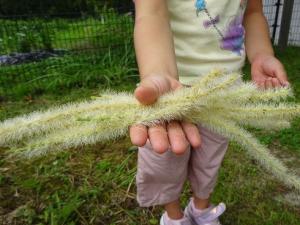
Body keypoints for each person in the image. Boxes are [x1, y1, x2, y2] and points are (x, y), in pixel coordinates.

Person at [129, 0, 289, 224]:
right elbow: (151, 13)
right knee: (164, 160)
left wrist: (261, 53)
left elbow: (253, 13)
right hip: (172, 89)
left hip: (225, 89)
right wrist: (159, 73)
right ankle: (174, 217)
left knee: (210, 157)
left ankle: (200, 209)